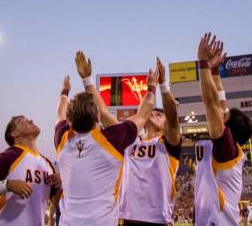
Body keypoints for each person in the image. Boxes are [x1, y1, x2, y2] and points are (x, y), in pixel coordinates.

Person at [75, 51, 182, 225]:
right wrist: (87, 80)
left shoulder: (168, 144)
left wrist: (163, 84)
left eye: (159, 114)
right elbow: (103, 113)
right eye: (153, 111)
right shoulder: (130, 140)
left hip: (157, 220)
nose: (155, 113)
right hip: (126, 217)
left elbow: (172, 115)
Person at [55, 65, 157, 225]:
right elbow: (144, 113)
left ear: (69, 119)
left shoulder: (61, 138)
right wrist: (152, 86)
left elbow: (60, 112)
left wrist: (64, 92)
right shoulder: (113, 139)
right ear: (97, 116)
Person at [194, 33, 252, 226]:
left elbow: (211, 103)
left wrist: (203, 63)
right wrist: (215, 71)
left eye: (224, 117)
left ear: (228, 130)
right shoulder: (229, 148)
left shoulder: (226, 149)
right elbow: (219, 102)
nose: (221, 112)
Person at [0, 115, 58, 225]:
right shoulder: (9, 156)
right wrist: (7, 185)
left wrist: (62, 182)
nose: (31, 120)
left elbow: (58, 202)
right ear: (14, 133)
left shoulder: (47, 164)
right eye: (22, 120)